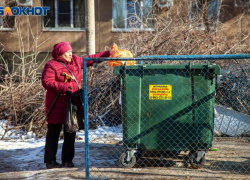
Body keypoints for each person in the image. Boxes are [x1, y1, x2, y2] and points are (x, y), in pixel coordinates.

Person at [41, 41, 110, 169]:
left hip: (72, 103)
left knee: (70, 132)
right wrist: (63, 87)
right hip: (56, 104)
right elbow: (46, 82)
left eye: (71, 51)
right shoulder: (51, 65)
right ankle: (50, 161)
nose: (70, 54)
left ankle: (67, 161)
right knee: (53, 133)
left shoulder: (76, 61)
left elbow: (91, 58)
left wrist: (109, 53)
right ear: (60, 54)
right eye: (67, 52)